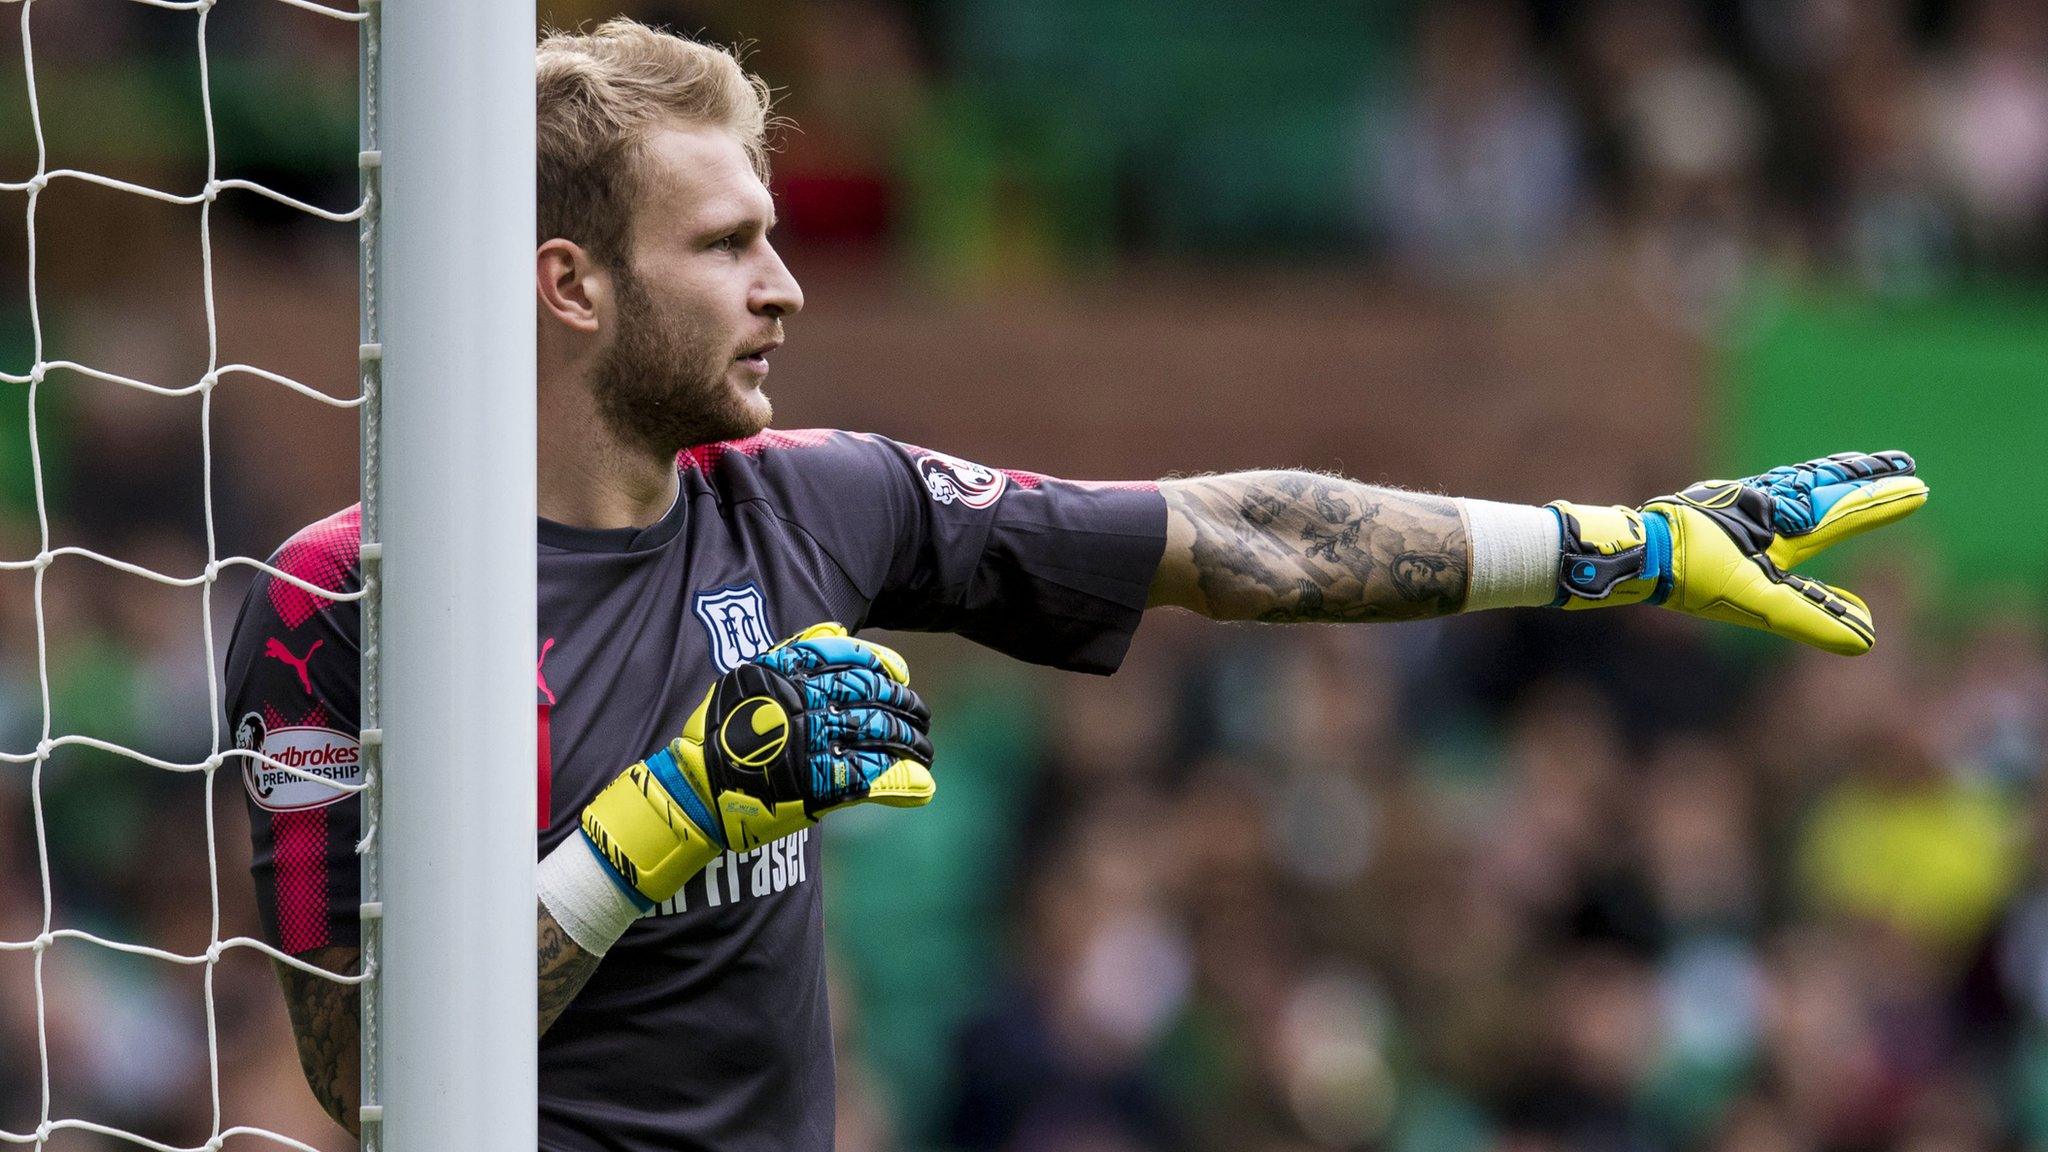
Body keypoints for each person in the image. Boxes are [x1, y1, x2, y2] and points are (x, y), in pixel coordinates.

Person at [220, 19, 1928, 1152]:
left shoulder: (821, 506)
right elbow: (367, 1080)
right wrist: (666, 822)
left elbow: (1233, 537)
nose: (788, 287)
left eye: (777, 232)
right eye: (729, 245)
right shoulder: (345, 605)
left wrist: (1626, 549)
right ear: (570, 284)